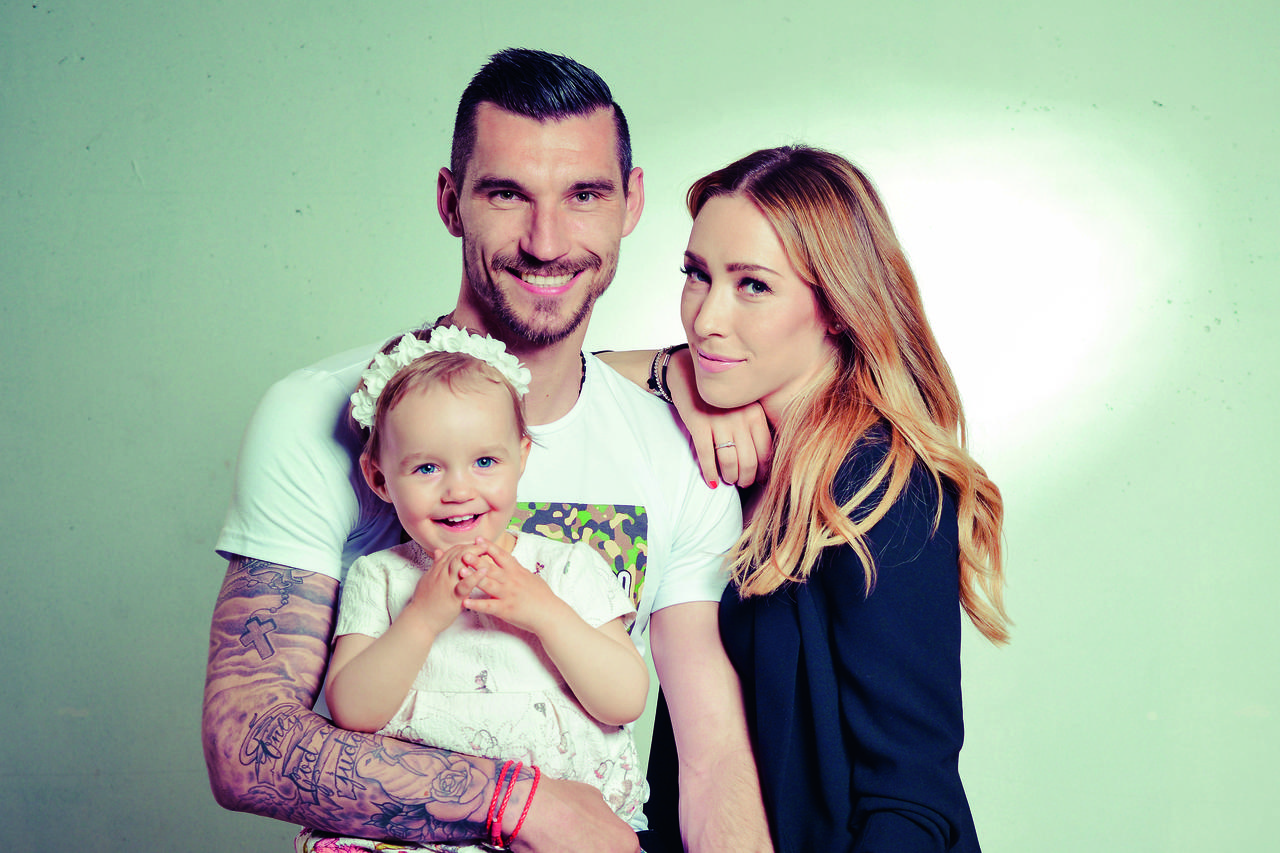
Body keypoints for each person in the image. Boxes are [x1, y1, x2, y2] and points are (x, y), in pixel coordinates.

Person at [202, 48, 770, 853]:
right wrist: (529, 805)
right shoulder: (315, 414)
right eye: (507, 193)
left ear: (631, 202)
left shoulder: (681, 450)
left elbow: (712, 760)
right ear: (450, 201)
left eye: (585, 194)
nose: (547, 240)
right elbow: (248, 744)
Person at [645, 146, 1010, 851]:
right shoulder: (724, 456)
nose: (707, 318)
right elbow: (550, 386)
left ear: (837, 308)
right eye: (697, 274)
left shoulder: (881, 487)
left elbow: (911, 798)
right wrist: (672, 372)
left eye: (753, 285)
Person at [308, 328, 650, 852]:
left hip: (567, 827)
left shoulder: (567, 567)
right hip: (425, 829)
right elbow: (352, 711)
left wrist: (544, 612)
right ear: (379, 479)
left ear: (522, 456)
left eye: (485, 462)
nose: (459, 489)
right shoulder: (380, 577)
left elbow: (624, 700)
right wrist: (421, 618)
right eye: (427, 467)